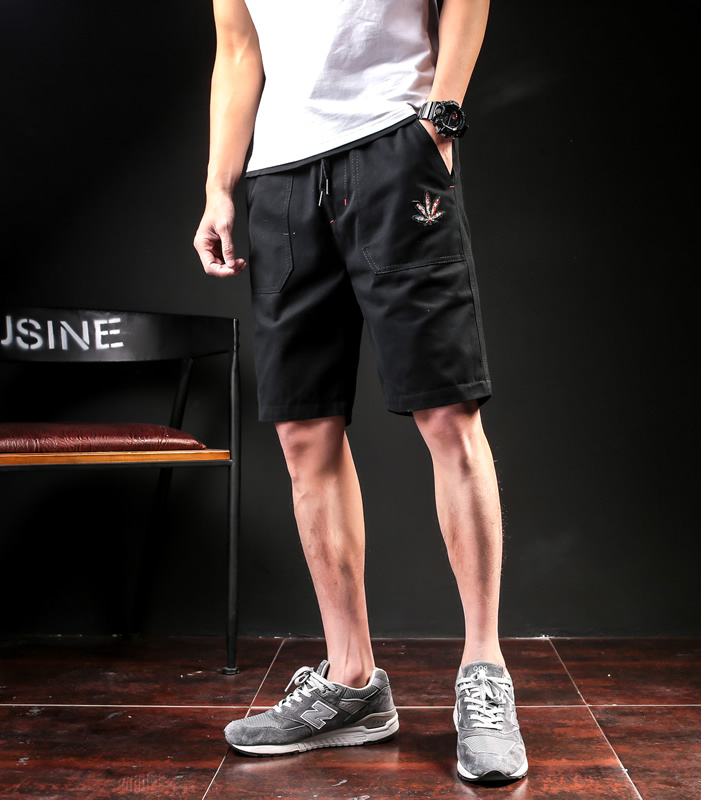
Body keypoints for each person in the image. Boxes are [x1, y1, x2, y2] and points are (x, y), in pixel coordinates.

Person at [194, 0, 527, 783]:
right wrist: (219, 186)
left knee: (447, 411)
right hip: (280, 179)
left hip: (393, 148)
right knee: (303, 432)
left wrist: (441, 116)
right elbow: (238, 48)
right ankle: (351, 683)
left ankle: (484, 671)